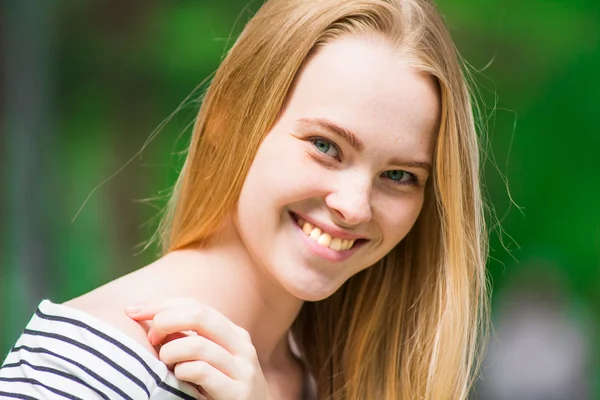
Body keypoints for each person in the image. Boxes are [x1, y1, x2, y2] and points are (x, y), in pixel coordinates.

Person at [0, 0, 488, 399]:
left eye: (399, 175)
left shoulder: (318, 379)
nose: (355, 206)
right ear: (229, 122)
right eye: (325, 146)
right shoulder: (90, 367)